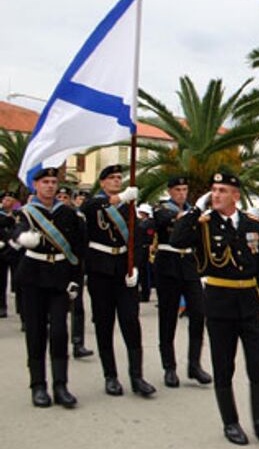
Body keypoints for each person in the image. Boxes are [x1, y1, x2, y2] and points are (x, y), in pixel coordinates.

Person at [171, 171, 259, 445]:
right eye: (214, 190)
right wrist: (197, 207)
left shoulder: (252, 224)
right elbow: (177, 240)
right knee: (224, 366)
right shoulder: (203, 224)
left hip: (249, 305)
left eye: (222, 190)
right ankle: (230, 423)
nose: (217, 194)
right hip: (219, 304)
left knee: (257, 365)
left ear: (236, 195)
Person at [80, 164, 156, 397]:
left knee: (131, 322)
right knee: (104, 324)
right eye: (111, 178)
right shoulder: (96, 204)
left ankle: (137, 376)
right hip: (100, 271)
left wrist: (135, 268)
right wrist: (119, 198)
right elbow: (88, 207)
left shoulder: (128, 207)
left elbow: (137, 238)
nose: (116, 181)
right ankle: (110, 376)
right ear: (102, 183)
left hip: (124, 271)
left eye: (118, 178)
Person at [12, 167, 85, 408]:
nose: (50, 186)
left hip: (60, 278)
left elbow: (77, 249)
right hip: (33, 278)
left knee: (59, 333)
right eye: (45, 182)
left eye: (54, 182)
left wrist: (76, 279)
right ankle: (38, 385)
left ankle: (61, 385)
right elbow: (17, 230)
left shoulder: (68, 213)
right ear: (36, 185)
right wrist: (23, 238)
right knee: (35, 332)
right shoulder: (28, 213)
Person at [154, 176, 211, 387]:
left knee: (198, 313)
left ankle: (194, 365)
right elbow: (171, 219)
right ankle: (169, 367)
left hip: (189, 266)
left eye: (185, 189)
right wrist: (195, 214)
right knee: (167, 317)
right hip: (167, 266)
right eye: (177, 189)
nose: (181, 193)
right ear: (170, 191)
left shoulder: (195, 213)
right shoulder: (161, 209)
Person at [56, 185, 94, 359]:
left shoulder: (77, 217)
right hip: (54, 267)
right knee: (58, 308)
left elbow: (83, 240)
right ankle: (58, 344)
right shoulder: (47, 216)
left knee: (77, 306)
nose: (62, 200)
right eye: (60, 197)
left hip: (74, 265)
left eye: (65, 198)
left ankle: (78, 343)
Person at [0, 190, 21, 320]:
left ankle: (21, 308)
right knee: (1, 281)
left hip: (15, 251)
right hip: (1, 250)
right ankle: (2, 306)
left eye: (12, 200)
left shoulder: (19, 215)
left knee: (18, 281)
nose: (9, 202)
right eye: (6, 199)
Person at [136, 203, 155, 302]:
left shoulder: (149, 223)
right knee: (141, 272)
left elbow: (150, 236)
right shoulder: (142, 222)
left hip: (146, 248)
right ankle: (142, 292)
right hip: (141, 248)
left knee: (145, 272)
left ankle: (145, 293)